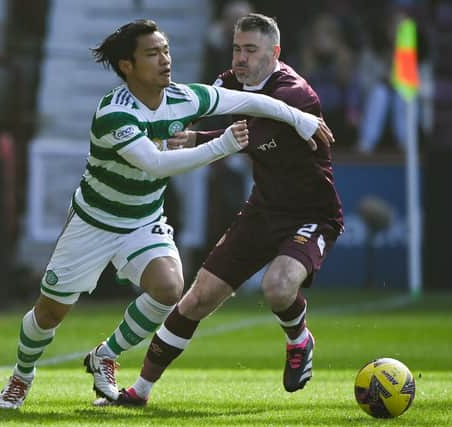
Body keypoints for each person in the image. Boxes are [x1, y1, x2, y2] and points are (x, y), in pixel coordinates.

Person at [0, 18, 334, 409]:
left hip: (143, 220)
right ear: (128, 66)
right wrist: (220, 145)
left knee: (170, 289)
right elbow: (156, 164)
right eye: (153, 54)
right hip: (95, 221)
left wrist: (299, 117)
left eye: (167, 51)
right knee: (50, 312)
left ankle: (106, 355)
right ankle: (22, 376)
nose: (165, 60)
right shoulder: (114, 114)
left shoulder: (183, 97)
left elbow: (250, 101)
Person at [93, 13, 344, 407]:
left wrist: (198, 137)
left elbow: (246, 137)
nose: (240, 58)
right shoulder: (229, 80)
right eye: (236, 49)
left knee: (277, 287)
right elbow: (191, 102)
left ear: (274, 53)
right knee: (196, 299)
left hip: (311, 214)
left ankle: (299, 339)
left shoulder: (295, 94)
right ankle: (139, 391)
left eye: (251, 50)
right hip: (262, 210)